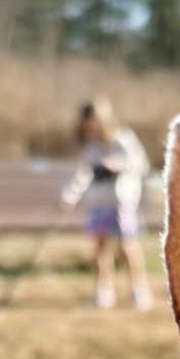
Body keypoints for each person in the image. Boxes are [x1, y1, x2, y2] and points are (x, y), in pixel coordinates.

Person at [62, 99, 153, 309]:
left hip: (121, 201)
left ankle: (138, 289)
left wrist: (117, 165)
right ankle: (104, 291)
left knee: (127, 247)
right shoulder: (90, 147)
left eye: (94, 123)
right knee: (100, 249)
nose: (91, 128)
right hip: (98, 201)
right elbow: (80, 174)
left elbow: (140, 163)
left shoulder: (124, 139)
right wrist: (69, 197)